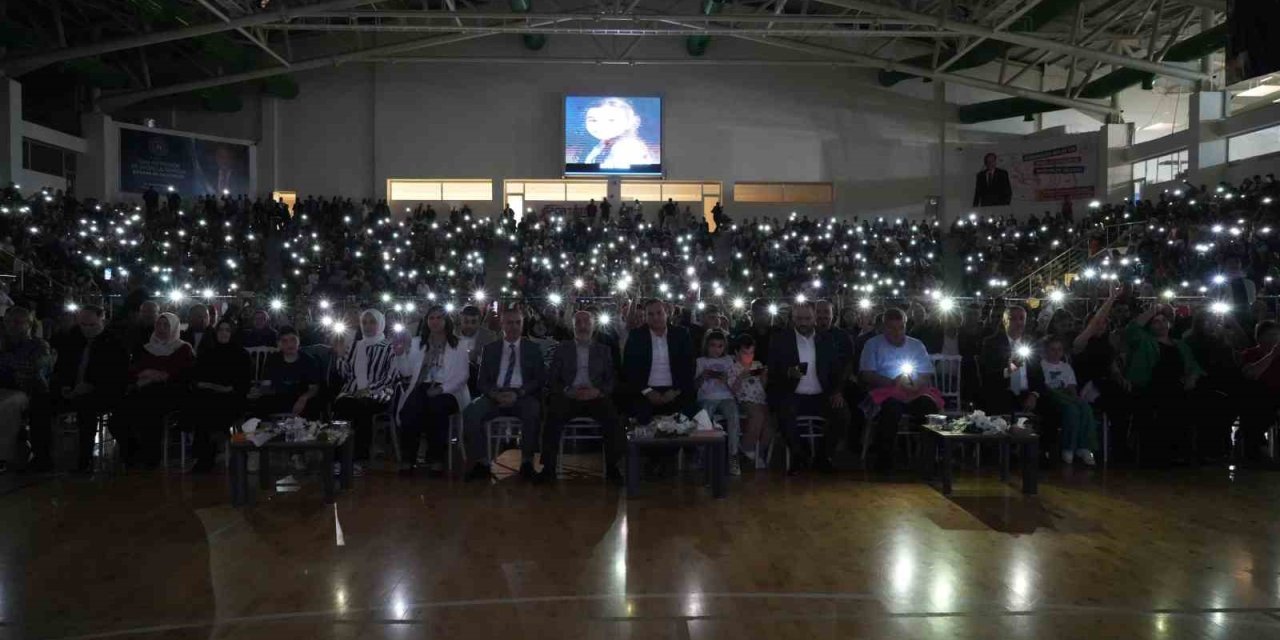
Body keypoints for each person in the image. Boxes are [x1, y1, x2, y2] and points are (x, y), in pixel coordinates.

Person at [539, 311, 623, 485]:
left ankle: (613, 466)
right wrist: (567, 390)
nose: (583, 326)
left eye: (586, 322)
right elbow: (552, 379)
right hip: (570, 395)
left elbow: (611, 379)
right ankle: (548, 467)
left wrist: (598, 392)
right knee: (552, 415)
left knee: (612, 417)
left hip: (595, 396)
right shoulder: (562, 349)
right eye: (579, 322)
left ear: (593, 326)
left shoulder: (603, 350)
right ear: (573, 326)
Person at [462, 307, 547, 481]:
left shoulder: (532, 349)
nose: (514, 326)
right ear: (502, 324)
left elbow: (539, 379)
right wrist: (494, 394)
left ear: (523, 324)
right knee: (471, 412)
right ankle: (482, 462)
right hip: (495, 394)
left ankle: (526, 463)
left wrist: (520, 393)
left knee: (533, 410)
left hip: (522, 395)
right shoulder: (491, 349)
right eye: (510, 322)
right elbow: (482, 381)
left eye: (518, 322)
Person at [766, 302, 848, 474]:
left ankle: (823, 456)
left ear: (814, 318)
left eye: (807, 318)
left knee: (843, 415)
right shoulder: (781, 340)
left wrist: (837, 391)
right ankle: (798, 457)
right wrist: (787, 373)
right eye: (799, 318)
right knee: (784, 413)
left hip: (821, 395)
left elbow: (836, 369)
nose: (803, 322)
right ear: (792, 318)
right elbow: (772, 372)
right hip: (792, 394)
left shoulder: (826, 339)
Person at [858, 308, 941, 472]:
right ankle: (885, 460)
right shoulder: (873, 344)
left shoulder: (916, 345)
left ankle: (928, 460)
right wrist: (893, 382)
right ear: (883, 328)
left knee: (929, 407)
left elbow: (926, 373)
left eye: (900, 328)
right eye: (891, 328)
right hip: (885, 391)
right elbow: (866, 374)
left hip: (914, 391)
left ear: (905, 326)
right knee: (891, 409)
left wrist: (915, 385)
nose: (897, 332)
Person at [50, 305, 129, 473]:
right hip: (72, 390)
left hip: (102, 393)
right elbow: (61, 368)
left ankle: (84, 460)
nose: (86, 329)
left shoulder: (115, 343)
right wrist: (64, 386)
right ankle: (43, 456)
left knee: (86, 408)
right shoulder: (72, 339)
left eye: (92, 325)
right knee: (41, 403)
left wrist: (91, 386)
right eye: (83, 325)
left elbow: (118, 376)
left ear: (102, 321)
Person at [1123, 303, 1202, 467]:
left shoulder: (1180, 344)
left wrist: (1192, 378)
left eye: (1163, 320)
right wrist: (1154, 309)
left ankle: (1183, 453)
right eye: (1156, 321)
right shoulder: (1144, 341)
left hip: (1178, 386)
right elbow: (1132, 329)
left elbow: (1193, 366)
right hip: (1151, 385)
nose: (1160, 324)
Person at [394, 306, 471, 475]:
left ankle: (436, 458)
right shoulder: (417, 343)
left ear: (446, 321)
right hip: (423, 384)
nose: (435, 322)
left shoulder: (458, 345)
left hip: (448, 389)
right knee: (411, 408)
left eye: (439, 318)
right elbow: (406, 372)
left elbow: (463, 376)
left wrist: (443, 388)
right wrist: (400, 355)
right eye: (431, 318)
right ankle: (409, 458)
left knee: (437, 406)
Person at [117, 312, 195, 468]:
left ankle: (150, 457)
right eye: (159, 324)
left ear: (174, 328)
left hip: (170, 392)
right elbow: (133, 370)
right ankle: (131, 453)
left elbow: (183, 373)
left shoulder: (183, 348)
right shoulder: (145, 348)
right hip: (143, 389)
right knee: (119, 416)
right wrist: (145, 374)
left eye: (166, 325)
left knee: (151, 409)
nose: (161, 328)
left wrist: (160, 375)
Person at [331, 309, 397, 476]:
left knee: (362, 407)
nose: (368, 326)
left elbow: (391, 375)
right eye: (365, 322)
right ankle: (340, 458)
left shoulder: (389, 347)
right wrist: (339, 356)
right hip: (353, 391)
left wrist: (369, 390)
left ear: (380, 324)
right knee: (341, 406)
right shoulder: (355, 345)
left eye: (372, 322)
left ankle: (359, 459)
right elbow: (345, 374)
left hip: (379, 392)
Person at [184, 320, 250, 472]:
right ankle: (205, 456)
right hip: (209, 397)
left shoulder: (241, 355)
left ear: (232, 333)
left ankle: (206, 457)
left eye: (227, 330)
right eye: (221, 330)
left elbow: (241, 385)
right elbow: (197, 379)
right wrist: (216, 387)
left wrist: (215, 387)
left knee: (209, 406)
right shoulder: (207, 353)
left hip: (232, 399)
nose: (224, 333)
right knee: (201, 404)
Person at [621, 299, 698, 425]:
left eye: (659, 313)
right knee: (641, 419)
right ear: (645, 317)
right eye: (650, 314)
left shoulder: (681, 334)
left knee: (687, 419)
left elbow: (689, 366)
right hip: (645, 391)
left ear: (666, 313)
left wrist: (674, 391)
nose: (655, 317)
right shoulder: (636, 336)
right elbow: (630, 368)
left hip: (675, 390)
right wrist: (647, 391)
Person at [0, 307, 53, 473]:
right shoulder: (3, 343)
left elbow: (33, 367)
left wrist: (6, 360)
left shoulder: (38, 345)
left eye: (17, 322)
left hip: (27, 391)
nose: (11, 326)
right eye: (8, 321)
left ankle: (3, 456)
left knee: (7, 404)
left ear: (29, 324)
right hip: (5, 388)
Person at [1037, 335, 1097, 466]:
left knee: (1085, 407)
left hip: (1066, 394)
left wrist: (1075, 399)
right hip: (1051, 395)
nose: (1056, 353)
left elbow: (1071, 387)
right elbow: (1043, 386)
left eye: (1059, 349)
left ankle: (1084, 447)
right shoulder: (1041, 365)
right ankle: (1068, 448)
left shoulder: (1066, 367)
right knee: (1071, 410)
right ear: (1046, 351)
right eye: (1052, 349)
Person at [695, 330, 743, 476]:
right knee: (705, 417)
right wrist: (703, 377)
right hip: (707, 397)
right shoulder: (701, 361)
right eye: (713, 346)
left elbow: (736, 385)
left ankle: (733, 456)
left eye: (720, 346)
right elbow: (694, 386)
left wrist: (726, 380)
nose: (716, 349)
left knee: (733, 416)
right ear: (706, 346)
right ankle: (702, 455)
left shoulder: (729, 360)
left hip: (726, 396)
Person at [249, 326, 322, 418]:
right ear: (279, 344)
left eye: (293, 340)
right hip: (279, 397)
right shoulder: (272, 360)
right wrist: (258, 391)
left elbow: (314, 388)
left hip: (301, 397)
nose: (290, 344)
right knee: (261, 403)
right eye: (285, 341)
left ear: (298, 341)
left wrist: (303, 398)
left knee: (314, 404)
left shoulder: (309, 360)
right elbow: (266, 385)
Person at [980, 305, 1040, 415]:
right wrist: (1010, 369)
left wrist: (1034, 394)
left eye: (1021, 318)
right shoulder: (992, 343)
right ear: (1004, 321)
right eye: (1013, 318)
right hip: (1002, 392)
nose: (1018, 323)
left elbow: (1038, 374)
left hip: (1026, 393)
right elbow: (988, 375)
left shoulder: (1031, 343)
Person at [1240, 320, 1280, 467]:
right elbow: (1251, 374)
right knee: (1257, 409)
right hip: (1259, 396)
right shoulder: (1250, 354)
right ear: (1260, 337)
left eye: (1276, 335)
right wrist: (1271, 355)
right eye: (1270, 335)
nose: (1274, 339)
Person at [576, 98, 656, 170]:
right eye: (593, 120)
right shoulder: (600, 145)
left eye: (611, 120)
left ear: (629, 122)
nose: (601, 126)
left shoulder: (628, 148)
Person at [731, 334, 770, 469]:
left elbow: (763, 386)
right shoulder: (734, 367)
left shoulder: (757, 364)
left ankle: (760, 452)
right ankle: (747, 446)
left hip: (761, 399)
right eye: (744, 353)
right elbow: (732, 390)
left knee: (770, 421)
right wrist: (741, 377)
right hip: (744, 400)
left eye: (751, 352)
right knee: (757, 416)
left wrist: (764, 376)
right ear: (737, 352)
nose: (748, 356)